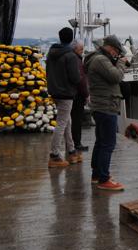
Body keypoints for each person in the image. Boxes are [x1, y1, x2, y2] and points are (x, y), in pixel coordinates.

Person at [85, 35, 127, 191]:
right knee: (108, 144)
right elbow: (116, 76)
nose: (117, 54)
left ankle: (97, 175)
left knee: (101, 142)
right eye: (116, 51)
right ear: (110, 47)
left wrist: (117, 62)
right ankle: (104, 178)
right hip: (106, 106)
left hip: (101, 105)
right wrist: (122, 63)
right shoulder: (101, 60)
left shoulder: (98, 59)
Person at [46, 27, 82, 168]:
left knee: (67, 121)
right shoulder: (71, 56)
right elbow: (75, 77)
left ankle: (71, 151)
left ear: (60, 37)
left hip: (55, 92)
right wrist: (79, 81)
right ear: (71, 39)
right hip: (66, 93)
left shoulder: (51, 53)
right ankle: (54, 155)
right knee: (62, 123)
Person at [70, 40, 89, 152]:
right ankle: (77, 143)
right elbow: (80, 79)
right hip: (77, 96)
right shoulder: (76, 60)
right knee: (77, 121)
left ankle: (72, 143)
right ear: (75, 49)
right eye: (81, 49)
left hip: (71, 94)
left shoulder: (71, 58)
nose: (82, 52)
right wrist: (86, 94)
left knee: (72, 120)